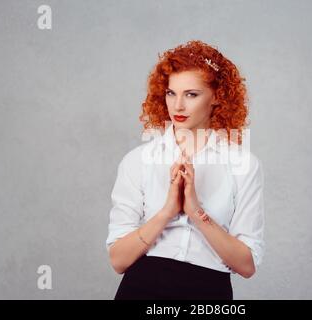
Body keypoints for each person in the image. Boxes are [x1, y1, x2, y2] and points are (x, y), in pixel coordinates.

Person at [106, 40, 265, 300]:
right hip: (142, 288)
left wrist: (196, 212)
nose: (177, 106)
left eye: (191, 94)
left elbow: (246, 265)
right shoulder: (138, 160)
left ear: (216, 97)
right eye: (171, 93)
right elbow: (118, 261)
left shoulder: (243, 165)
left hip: (208, 292)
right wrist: (168, 211)